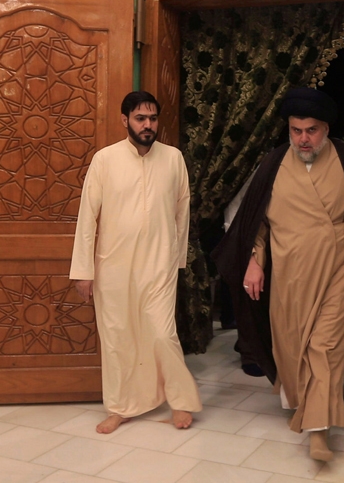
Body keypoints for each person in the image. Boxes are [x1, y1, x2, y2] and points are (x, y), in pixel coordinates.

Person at [213, 88, 344, 462]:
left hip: (339, 269)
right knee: (293, 350)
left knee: (324, 348)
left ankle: (318, 431)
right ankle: (305, 403)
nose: (303, 139)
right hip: (290, 278)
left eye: (311, 130)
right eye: (296, 131)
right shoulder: (273, 164)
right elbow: (256, 223)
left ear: (326, 129)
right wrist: (254, 260)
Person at [70, 90, 202, 434]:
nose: (148, 125)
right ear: (125, 120)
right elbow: (88, 219)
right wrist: (83, 272)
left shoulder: (173, 158)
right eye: (140, 118)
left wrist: (176, 261)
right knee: (117, 338)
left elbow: (181, 214)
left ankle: (180, 402)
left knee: (162, 334)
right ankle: (120, 407)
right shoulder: (105, 160)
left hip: (159, 264)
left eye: (153, 118)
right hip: (112, 266)